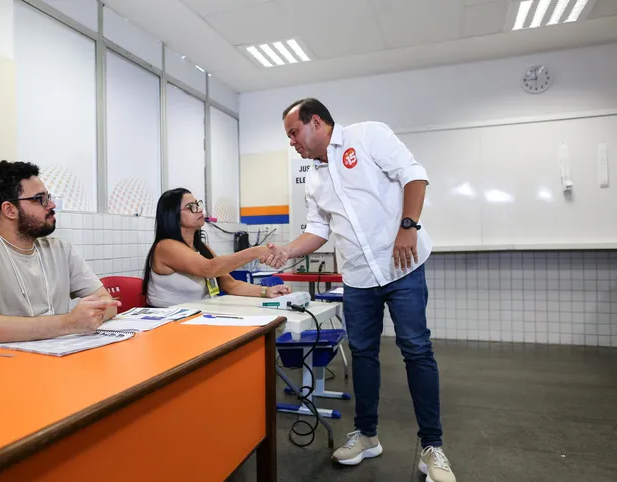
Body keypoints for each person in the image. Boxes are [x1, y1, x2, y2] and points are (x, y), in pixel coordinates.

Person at [262, 99, 456, 482]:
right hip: (357, 279)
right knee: (363, 354)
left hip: (402, 265)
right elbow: (317, 231)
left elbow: (414, 176)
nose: (292, 142)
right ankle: (367, 436)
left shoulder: (368, 135)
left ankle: (433, 447)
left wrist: (408, 226)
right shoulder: (314, 179)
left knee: (417, 350)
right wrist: (286, 251)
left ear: (315, 122)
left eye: (293, 132)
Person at [0, 161, 120, 353]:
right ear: (10, 210)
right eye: (39, 199)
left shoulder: (60, 249)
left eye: (48, 197)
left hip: (46, 361)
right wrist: (68, 323)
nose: (51, 205)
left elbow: (108, 303)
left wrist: (86, 317)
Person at [142, 188, 291, 307]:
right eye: (190, 207)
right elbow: (209, 269)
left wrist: (267, 291)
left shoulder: (201, 248)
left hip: (197, 317)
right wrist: (256, 251)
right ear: (172, 215)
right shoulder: (165, 246)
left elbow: (231, 284)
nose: (199, 210)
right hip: (169, 325)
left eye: (197, 204)